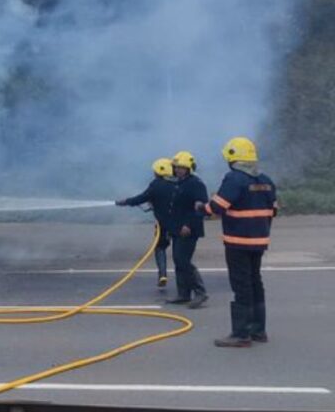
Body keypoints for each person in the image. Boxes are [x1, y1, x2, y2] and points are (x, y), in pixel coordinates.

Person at [198, 137, 277, 348]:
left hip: (238, 242)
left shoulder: (234, 179)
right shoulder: (266, 180)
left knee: (241, 285)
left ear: (232, 158)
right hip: (260, 241)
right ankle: (258, 330)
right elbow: (274, 209)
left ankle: (241, 334)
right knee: (255, 282)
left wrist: (200, 208)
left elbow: (216, 207)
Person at [116, 158, 177, 288]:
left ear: (159, 172)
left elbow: (141, 198)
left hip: (163, 225)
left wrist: (125, 202)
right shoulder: (178, 184)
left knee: (160, 248)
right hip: (178, 223)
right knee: (179, 251)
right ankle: (182, 277)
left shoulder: (156, 184)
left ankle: (162, 274)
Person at [168, 150, 208, 308]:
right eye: (176, 167)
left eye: (181, 167)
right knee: (178, 260)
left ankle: (200, 292)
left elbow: (199, 208)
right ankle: (183, 294)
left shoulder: (196, 184)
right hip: (177, 228)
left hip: (189, 229)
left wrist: (188, 225)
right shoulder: (177, 183)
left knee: (183, 260)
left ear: (189, 168)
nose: (178, 170)